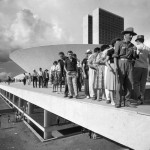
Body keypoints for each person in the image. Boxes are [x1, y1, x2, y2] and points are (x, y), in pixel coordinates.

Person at [114, 27, 138, 108]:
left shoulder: (133, 46)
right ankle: (118, 102)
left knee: (130, 83)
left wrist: (135, 51)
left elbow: (134, 57)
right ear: (125, 35)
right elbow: (115, 56)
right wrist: (116, 66)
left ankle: (127, 101)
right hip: (121, 63)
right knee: (119, 84)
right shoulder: (119, 43)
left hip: (130, 64)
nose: (131, 36)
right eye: (130, 34)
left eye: (132, 35)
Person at [133, 35, 150, 104]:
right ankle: (141, 99)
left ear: (138, 40)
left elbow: (134, 56)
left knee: (135, 83)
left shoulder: (136, 47)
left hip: (138, 66)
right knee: (143, 84)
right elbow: (148, 60)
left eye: (136, 41)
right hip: (145, 67)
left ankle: (139, 97)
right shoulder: (148, 48)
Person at [105, 38, 121, 105]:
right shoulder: (110, 51)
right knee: (111, 85)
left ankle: (117, 99)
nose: (119, 44)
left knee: (118, 84)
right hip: (112, 67)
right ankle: (112, 100)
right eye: (117, 42)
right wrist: (110, 67)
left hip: (119, 67)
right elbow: (106, 61)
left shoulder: (121, 50)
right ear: (114, 43)